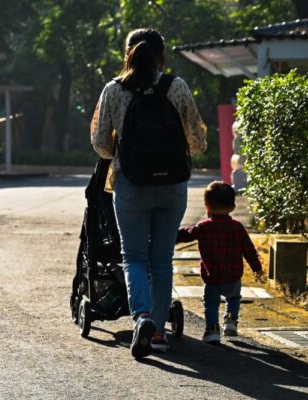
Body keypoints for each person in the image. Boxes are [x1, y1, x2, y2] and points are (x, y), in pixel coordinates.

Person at [91, 28, 207, 357]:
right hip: (172, 187)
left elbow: (101, 145)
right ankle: (157, 332)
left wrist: (123, 148)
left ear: (127, 54)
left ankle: (141, 316)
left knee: (135, 258)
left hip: (131, 185)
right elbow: (198, 142)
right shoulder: (178, 86)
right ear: (162, 55)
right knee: (161, 259)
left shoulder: (113, 90)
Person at [176, 181, 265, 344]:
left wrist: (168, 235)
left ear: (207, 206)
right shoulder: (238, 227)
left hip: (212, 277)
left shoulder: (203, 227)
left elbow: (185, 234)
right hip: (233, 275)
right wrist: (257, 268)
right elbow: (249, 250)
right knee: (233, 298)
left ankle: (213, 330)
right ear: (232, 207)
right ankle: (231, 320)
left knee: (211, 303)